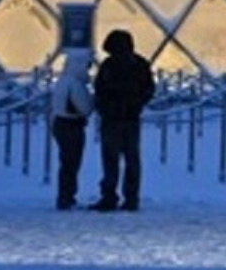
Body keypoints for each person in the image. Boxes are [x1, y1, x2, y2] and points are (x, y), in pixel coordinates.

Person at [92, 29, 155, 212]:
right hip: (131, 118)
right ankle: (131, 198)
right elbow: (149, 89)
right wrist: (136, 104)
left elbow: (99, 90)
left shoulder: (109, 65)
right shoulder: (140, 64)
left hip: (112, 119)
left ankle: (109, 197)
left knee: (110, 160)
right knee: (131, 159)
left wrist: (105, 107)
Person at [51, 49, 96, 211]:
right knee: (72, 164)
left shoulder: (63, 81)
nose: (90, 69)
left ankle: (64, 196)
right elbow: (86, 109)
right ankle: (67, 197)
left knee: (66, 163)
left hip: (60, 124)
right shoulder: (76, 85)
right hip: (72, 126)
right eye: (88, 65)